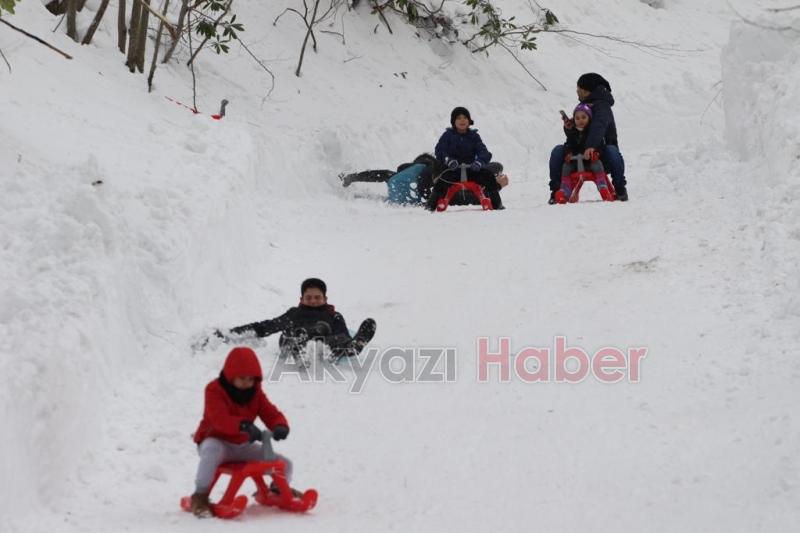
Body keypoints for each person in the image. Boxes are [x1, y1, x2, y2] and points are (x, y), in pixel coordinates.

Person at [189, 346, 296, 517]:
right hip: (217, 441)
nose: (247, 382)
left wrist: (280, 425)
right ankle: (200, 496)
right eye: (242, 378)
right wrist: (243, 425)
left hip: (242, 445)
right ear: (231, 376)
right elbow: (218, 419)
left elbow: (270, 412)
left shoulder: (255, 393)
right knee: (210, 451)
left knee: (285, 464)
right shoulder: (213, 390)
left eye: (251, 379)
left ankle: (278, 490)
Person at [210, 278, 376, 361]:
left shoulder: (334, 316)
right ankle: (304, 341)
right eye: (309, 297)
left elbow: (343, 335)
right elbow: (266, 327)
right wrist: (229, 334)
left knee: (331, 334)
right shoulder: (294, 314)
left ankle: (355, 345)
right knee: (294, 334)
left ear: (325, 299)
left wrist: (323, 340)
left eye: (317, 297)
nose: (313, 300)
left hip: (324, 346)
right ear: (301, 298)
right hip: (293, 344)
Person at [548, 73, 628, 203]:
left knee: (612, 151)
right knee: (557, 151)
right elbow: (576, 136)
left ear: (586, 91)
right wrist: (570, 128)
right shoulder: (585, 106)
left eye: (578, 88)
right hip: (577, 156)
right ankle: (557, 192)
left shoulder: (602, 106)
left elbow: (598, 126)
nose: (576, 91)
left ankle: (620, 189)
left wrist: (591, 146)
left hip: (599, 156)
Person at [428, 107, 506, 210]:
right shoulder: (448, 135)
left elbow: (484, 152)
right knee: (441, 181)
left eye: (465, 118)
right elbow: (440, 150)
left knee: (488, 177)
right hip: (453, 169)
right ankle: (430, 207)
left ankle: (497, 205)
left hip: (471, 169)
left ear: (469, 121)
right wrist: (448, 160)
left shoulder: (474, 136)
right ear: (453, 122)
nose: (462, 120)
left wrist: (479, 162)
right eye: (459, 118)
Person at [556, 103, 614, 203]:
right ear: (574, 120)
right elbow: (568, 144)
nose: (580, 120)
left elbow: (600, 144)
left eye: (583, 117)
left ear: (589, 118)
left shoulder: (593, 132)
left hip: (590, 162)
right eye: (577, 118)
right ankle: (565, 191)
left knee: (598, 165)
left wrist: (596, 153)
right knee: (566, 167)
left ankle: (603, 187)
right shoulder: (573, 133)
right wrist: (568, 154)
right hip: (576, 162)